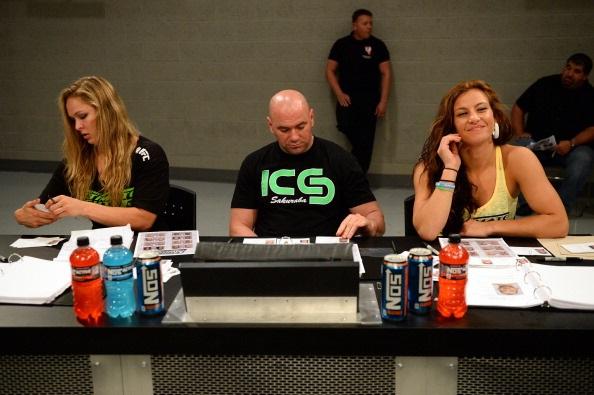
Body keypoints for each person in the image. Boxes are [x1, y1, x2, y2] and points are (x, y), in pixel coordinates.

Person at [412, 80, 568, 241]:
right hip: (446, 260)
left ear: (495, 117)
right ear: (452, 126)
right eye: (462, 113)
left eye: (481, 109)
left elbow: (558, 223)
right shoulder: (428, 167)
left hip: (500, 261)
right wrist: (450, 168)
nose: (474, 118)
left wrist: (489, 227)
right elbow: (427, 231)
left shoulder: (519, 158)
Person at [14, 76, 169, 231]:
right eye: (72, 120)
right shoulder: (77, 160)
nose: (77, 127)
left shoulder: (147, 154)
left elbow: (143, 219)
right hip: (101, 245)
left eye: (82, 116)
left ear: (108, 113)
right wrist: (24, 215)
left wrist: (83, 207)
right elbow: (44, 206)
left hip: (145, 248)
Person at [229, 89, 385, 238]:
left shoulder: (341, 160)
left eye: (300, 127)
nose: (294, 137)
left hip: (328, 253)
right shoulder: (254, 163)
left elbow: (376, 220)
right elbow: (238, 227)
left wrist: (368, 224)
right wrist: (265, 253)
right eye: (284, 130)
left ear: (311, 118)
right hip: (272, 254)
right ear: (271, 126)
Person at [511, 53, 594, 214]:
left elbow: (592, 129)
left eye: (576, 71)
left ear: (585, 76)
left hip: (573, 147)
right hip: (538, 142)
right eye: (568, 68)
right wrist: (520, 132)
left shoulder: (590, 95)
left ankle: (559, 209)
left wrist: (572, 143)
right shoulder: (545, 84)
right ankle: (523, 205)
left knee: (583, 159)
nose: (569, 73)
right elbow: (518, 107)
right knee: (519, 151)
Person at [326, 8, 391, 173]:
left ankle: (357, 178)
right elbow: (329, 70)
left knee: (366, 144)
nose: (369, 26)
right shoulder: (341, 45)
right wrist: (339, 93)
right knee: (357, 140)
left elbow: (386, 73)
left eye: (371, 23)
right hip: (347, 103)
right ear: (355, 25)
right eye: (365, 23)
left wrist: (383, 101)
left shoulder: (378, 45)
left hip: (370, 104)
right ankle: (352, 176)